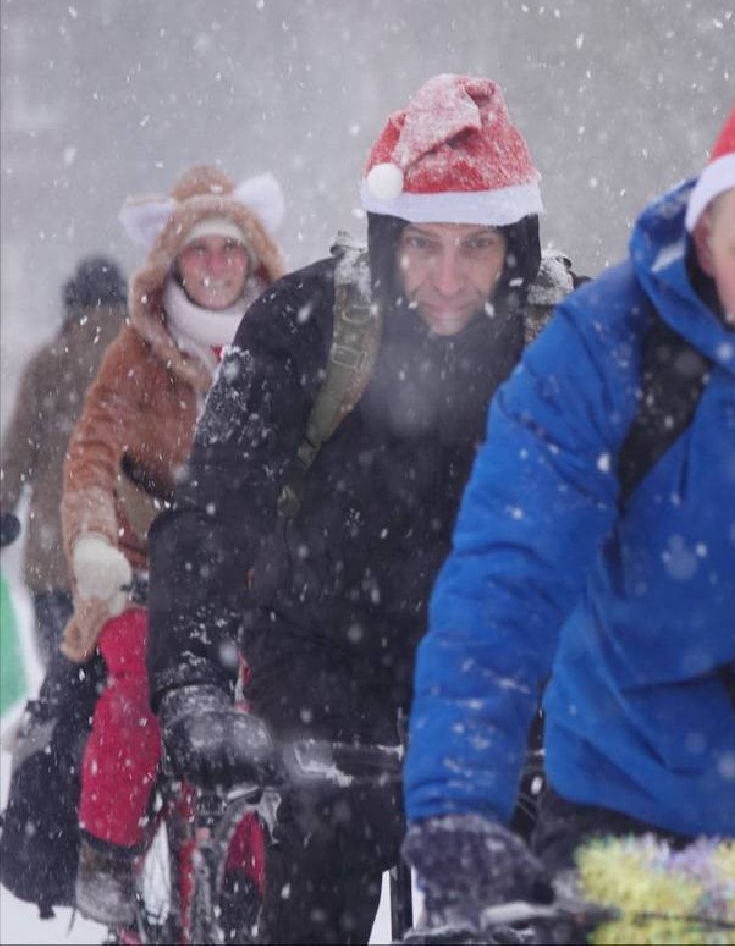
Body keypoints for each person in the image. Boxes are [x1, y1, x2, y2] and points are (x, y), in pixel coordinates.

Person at [399, 15, 735, 932]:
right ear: (709, 238)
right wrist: (457, 803)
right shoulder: (606, 349)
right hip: (629, 816)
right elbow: (505, 578)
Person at [145, 73, 577, 944]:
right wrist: (192, 682)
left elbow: (633, 521)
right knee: (329, 850)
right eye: (422, 245)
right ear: (387, 240)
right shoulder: (303, 325)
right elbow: (216, 511)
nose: (448, 279)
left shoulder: (568, 338)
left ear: (516, 249)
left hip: (506, 658)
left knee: (522, 894)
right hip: (321, 648)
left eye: (477, 248)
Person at [57, 166, 287, 925]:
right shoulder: (135, 352)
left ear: (253, 260)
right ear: (173, 263)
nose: (217, 267)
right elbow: (90, 453)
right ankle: (110, 855)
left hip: (250, 582)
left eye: (231, 250)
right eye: (201, 252)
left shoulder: (285, 347)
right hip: (145, 578)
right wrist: (94, 542)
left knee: (267, 707)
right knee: (140, 693)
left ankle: (253, 882)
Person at [0, 256, 127, 663]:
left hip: (56, 545)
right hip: (126, 550)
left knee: (63, 672)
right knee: (120, 677)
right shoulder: (143, 360)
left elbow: (17, 452)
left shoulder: (48, 362)